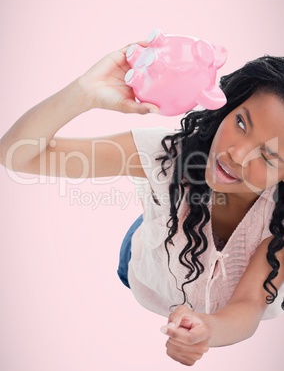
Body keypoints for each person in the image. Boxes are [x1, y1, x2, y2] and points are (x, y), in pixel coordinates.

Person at [1, 43, 284, 367]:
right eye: (241, 123)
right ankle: (164, 210)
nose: (236, 153)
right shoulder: (167, 155)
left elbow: (248, 305)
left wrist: (208, 328)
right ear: (227, 107)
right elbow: (15, 154)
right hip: (152, 260)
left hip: (215, 264)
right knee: (147, 234)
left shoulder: (278, 222)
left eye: (266, 156)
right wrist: (84, 93)